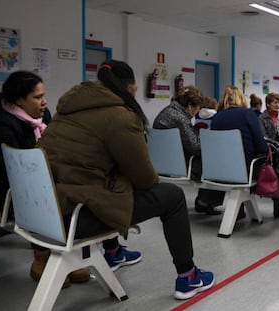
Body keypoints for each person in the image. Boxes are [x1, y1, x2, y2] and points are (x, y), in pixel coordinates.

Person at [37, 60, 214, 300]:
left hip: (46, 211)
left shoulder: (65, 112)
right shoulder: (120, 116)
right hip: (77, 217)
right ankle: (188, 276)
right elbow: (144, 180)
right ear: (130, 88)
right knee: (172, 196)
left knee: (110, 181)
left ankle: (113, 252)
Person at [0, 71, 90, 286]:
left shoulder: (42, 118)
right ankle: (42, 257)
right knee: (59, 195)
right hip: (11, 191)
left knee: (82, 188)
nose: (44, 102)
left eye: (43, 95)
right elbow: (10, 170)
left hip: (38, 181)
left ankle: (62, 257)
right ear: (19, 99)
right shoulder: (2, 124)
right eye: (37, 97)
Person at [212, 86, 279, 218]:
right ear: (241, 98)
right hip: (246, 168)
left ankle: (239, 211)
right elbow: (261, 146)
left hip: (221, 169)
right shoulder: (247, 114)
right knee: (277, 162)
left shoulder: (216, 118)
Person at [153, 86, 224, 215]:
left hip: (162, 163)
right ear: (190, 105)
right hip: (180, 165)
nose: (197, 112)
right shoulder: (181, 119)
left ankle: (205, 201)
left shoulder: (166, 112)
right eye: (197, 108)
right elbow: (195, 147)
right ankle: (205, 201)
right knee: (217, 164)